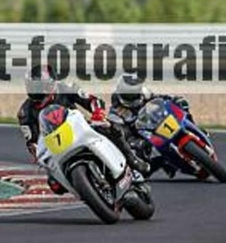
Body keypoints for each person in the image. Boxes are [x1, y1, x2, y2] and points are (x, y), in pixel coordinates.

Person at [17, 65, 149, 194]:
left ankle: (133, 160)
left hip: (79, 128)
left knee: (108, 128)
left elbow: (92, 100)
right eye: (32, 87)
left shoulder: (66, 88)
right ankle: (86, 190)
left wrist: (97, 112)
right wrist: (38, 155)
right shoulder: (25, 112)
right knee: (55, 186)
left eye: (38, 87)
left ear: (50, 84)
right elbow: (32, 141)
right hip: (56, 145)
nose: (36, 91)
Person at [108, 73, 199, 177]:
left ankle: (194, 129)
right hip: (141, 136)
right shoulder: (115, 113)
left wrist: (174, 99)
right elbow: (121, 134)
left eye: (135, 93)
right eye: (129, 95)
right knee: (145, 164)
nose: (132, 96)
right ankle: (166, 163)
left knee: (183, 107)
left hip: (155, 121)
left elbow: (160, 98)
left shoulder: (144, 92)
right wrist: (135, 143)